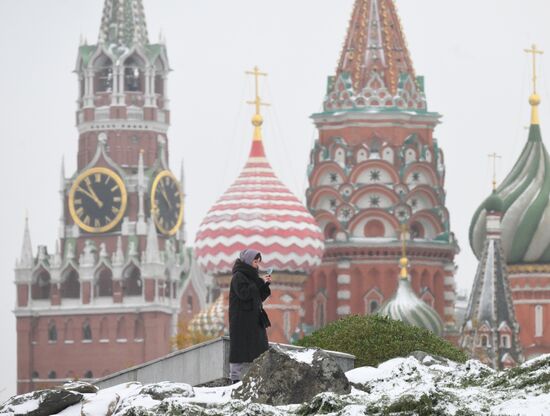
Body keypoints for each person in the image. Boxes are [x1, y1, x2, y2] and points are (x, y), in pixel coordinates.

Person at [229, 249, 272, 383]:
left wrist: (265, 285)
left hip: (254, 319)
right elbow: (245, 294)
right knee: (240, 349)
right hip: (241, 321)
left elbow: (258, 297)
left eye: (258, 262)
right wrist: (260, 282)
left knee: (259, 347)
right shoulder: (238, 276)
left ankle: (258, 378)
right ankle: (235, 379)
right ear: (248, 261)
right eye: (255, 261)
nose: (257, 264)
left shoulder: (252, 276)